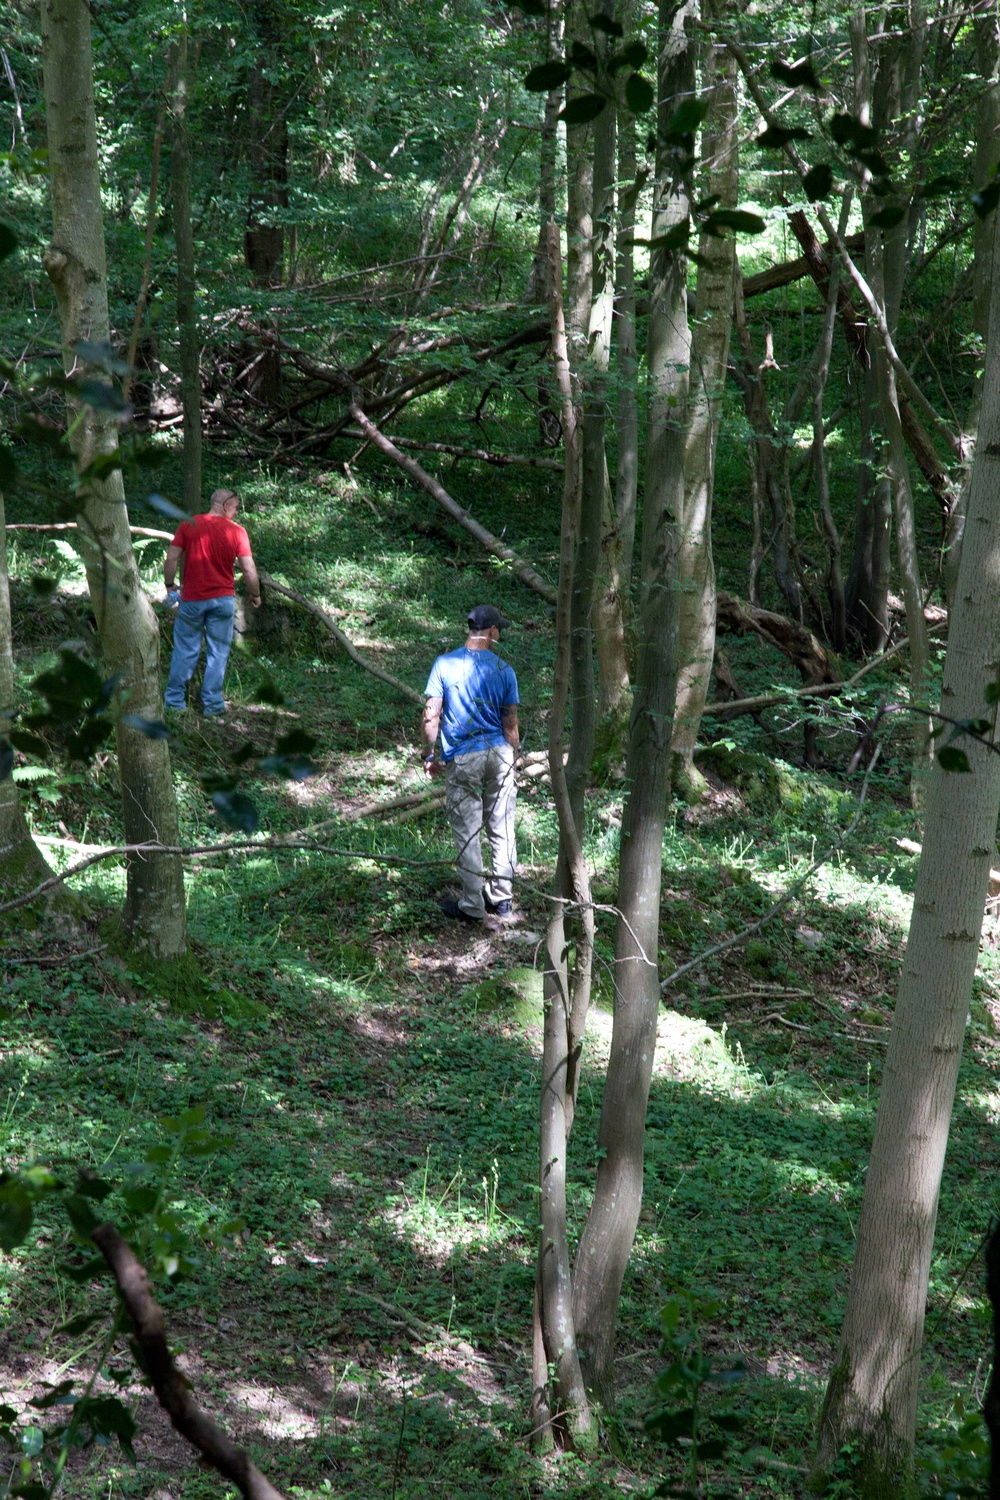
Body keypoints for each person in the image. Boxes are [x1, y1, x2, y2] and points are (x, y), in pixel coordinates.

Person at [422, 605, 520, 922]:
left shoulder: (444, 664)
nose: (500, 635)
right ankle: (502, 900)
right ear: (491, 632)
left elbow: (431, 715)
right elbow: (511, 724)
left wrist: (429, 754)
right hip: (500, 752)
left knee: (467, 829)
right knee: (501, 825)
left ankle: (473, 905)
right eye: (499, 630)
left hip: (463, 756)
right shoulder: (505, 670)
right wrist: (515, 756)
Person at [163, 487, 261, 718]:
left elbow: (172, 557)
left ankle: (175, 703)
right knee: (218, 653)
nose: (236, 512)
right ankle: (213, 704)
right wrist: (255, 593)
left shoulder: (189, 524)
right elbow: (248, 568)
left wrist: (169, 584)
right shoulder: (238, 532)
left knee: (186, 650)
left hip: (192, 600)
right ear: (225, 505)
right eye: (236, 507)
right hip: (223, 600)